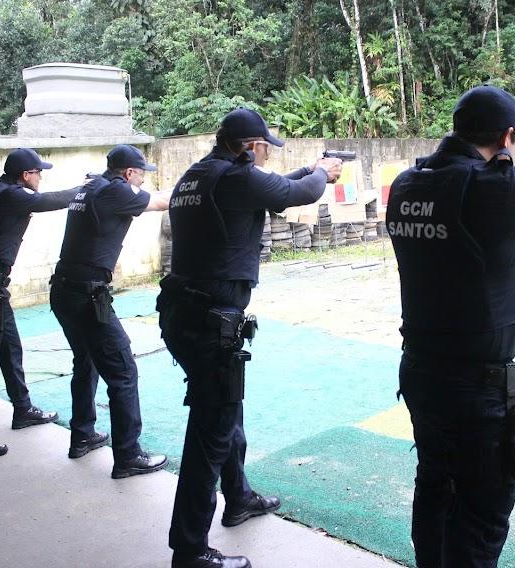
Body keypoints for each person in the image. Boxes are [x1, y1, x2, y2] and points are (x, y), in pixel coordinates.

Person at [385, 85, 515, 568]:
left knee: (435, 486)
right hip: (476, 388)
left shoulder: (410, 183)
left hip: (421, 371)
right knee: (481, 512)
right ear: (509, 136)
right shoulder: (500, 185)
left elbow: (496, 190)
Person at [157, 108, 343, 568]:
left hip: (186, 311)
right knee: (211, 428)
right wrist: (323, 172)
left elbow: (275, 186)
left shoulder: (197, 175)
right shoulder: (239, 178)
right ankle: (189, 548)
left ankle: (237, 497)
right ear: (248, 147)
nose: (265, 156)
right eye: (263, 148)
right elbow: (299, 192)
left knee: (224, 408)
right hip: (210, 318)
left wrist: (310, 168)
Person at [50, 145, 171, 478]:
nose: (143, 179)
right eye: (141, 173)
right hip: (87, 295)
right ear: (129, 173)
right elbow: (160, 202)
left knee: (86, 362)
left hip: (63, 290)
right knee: (123, 372)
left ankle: (82, 435)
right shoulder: (117, 191)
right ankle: (128, 455)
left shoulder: (92, 187)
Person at [0, 148, 78, 460]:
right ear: (26, 175)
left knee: (10, 347)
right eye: (38, 173)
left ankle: (22, 408)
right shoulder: (12, 195)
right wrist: (89, 188)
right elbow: (51, 201)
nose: (40, 178)